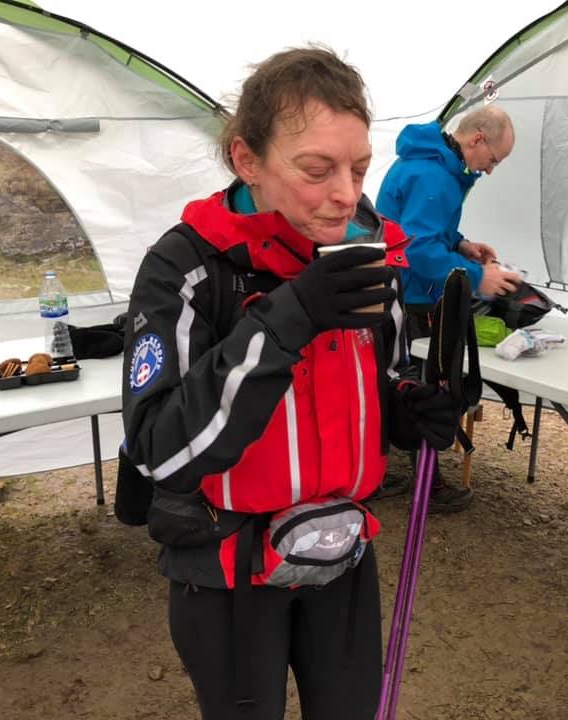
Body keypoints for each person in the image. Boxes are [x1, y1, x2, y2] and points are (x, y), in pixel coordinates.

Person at [119, 47, 462, 720]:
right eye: (316, 169)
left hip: (342, 550)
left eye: (358, 168)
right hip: (229, 566)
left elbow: (384, 374)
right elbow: (160, 449)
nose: (347, 194)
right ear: (247, 159)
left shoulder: (370, 251)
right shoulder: (187, 266)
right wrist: (288, 317)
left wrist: (407, 408)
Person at [375, 105, 522, 512]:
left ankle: (382, 471)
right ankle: (428, 485)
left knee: (393, 379)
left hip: (401, 288)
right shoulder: (434, 176)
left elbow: (421, 227)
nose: (490, 170)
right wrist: (478, 277)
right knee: (423, 388)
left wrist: (460, 244)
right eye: (494, 159)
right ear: (477, 139)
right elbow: (418, 249)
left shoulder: (431, 164)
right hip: (409, 294)